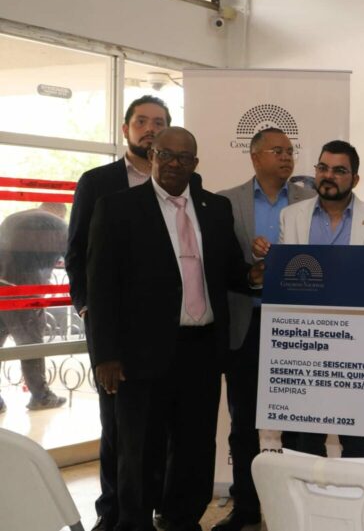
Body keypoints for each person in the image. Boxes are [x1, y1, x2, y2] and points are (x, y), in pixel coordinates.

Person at [86, 127, 261, 531]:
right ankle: (134, 523)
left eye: (183, 158)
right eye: (165, 155)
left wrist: (253, 275)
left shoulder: (215, 208)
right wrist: (105, 355)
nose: (173, 164)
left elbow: (229, 271)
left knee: (195, 446)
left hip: (202, 350)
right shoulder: (117, 208)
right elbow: (101, 286)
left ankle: (182, 520)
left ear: (194, 164)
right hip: (140, 354)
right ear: (151, 156)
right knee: (139, 450)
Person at [65, 94, 171, 531]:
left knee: (159, 424)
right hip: (112, 328)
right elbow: (77, 252)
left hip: (164, 329)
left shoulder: (180, 181)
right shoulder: (98, 182)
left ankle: (153, 505)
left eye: (159, 123)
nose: (150, 129)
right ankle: (112, 513)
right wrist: (88, 308)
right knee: (116, 428)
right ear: (126, 129)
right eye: (142, 121)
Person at [255, 139, 364, 457]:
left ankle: (355, 489)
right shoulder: (291, 217)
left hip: (357, 346)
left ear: (355, 179)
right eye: (322, 167)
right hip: (308, 344)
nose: (328, 176)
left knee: (356, 440)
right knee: (307, 438)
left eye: (339, 170)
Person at [212, 128, 315, 531]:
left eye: (290, 150)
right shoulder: (226, 202)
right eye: (277, 150)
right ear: (255, 157)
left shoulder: (309, 200)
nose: (287, 156)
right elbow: (220, 263)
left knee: (297, 424)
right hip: (247, 323)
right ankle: (247, 508)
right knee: (244, 424)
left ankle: (294, 510)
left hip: (296, 328)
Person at [0, 207, 68, 411]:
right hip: (22, 292)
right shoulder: (59, 227)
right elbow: (75, 261)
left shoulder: (15, 219)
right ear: (61, 212)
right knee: (31, 343)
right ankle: (42, 396)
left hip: (2, 286)